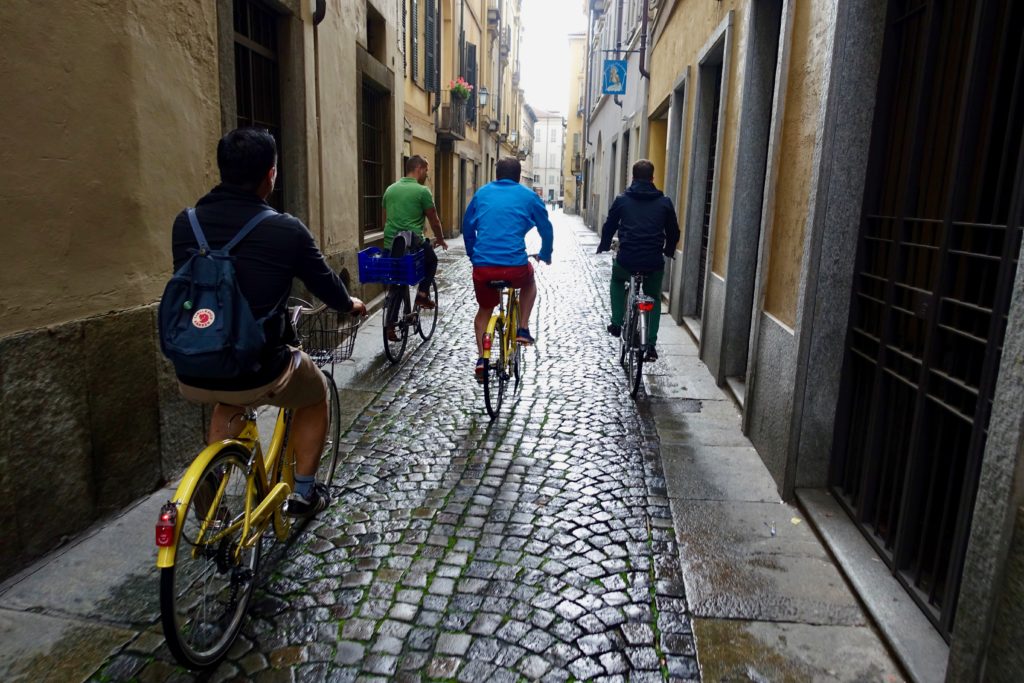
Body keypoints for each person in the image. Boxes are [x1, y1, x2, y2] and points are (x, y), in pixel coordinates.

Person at [171, 127, 366, 517]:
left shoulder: (185, 223)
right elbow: (325, 284)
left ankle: (215, 474)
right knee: (315, 395)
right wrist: (350, 304)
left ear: (222, 169)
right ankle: (305, 493)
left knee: (227, 397)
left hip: (194, 362)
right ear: (270, 175)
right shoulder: (285, 229)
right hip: (259, 364)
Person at [463, 157, 554, 382]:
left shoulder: (482, 194)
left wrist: (473, 255)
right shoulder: (529, 197)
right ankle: (522, 328)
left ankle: (482, 359)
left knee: (485, 309)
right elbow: (546, 228)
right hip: (515, 269)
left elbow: (467, 228)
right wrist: (545, 254)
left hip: (483, 269)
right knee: (530, 281)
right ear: (518, 175)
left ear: (496, 174)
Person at [597, 159, 680, 361]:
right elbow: (674, 232)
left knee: (617, 280)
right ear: (652, 178)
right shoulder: (665, 202)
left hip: (627, 260)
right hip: (653, 261)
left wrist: (605, 244)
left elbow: (609, 226)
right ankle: (650, 344)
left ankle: (616, 322)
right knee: (654, 296)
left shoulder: (622, 200)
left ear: (632, 178)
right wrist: (668, 251)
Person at [381, 155, 448, 340]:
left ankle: (390, 327)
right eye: (426, 170)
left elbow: (384, 220)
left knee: (397, 282)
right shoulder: (422, 191)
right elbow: (434, 220)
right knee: (432, 261)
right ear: (418, 169)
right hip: (411, 244)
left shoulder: (390, 190)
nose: (427, 174)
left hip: (390, 246)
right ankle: (423, 293)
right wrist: (441, 239)